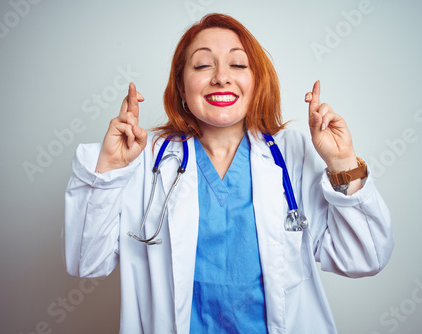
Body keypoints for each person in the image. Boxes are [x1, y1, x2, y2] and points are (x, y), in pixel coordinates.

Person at [64, 13, 394, 334]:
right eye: (203, 65)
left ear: (256, 81)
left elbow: (365, 258)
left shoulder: (291, 153)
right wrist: (107, 169)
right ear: (181, 84)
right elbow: (86, 262)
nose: (221, 77)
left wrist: (341, 162)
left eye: (237, 64)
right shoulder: (144, 158)